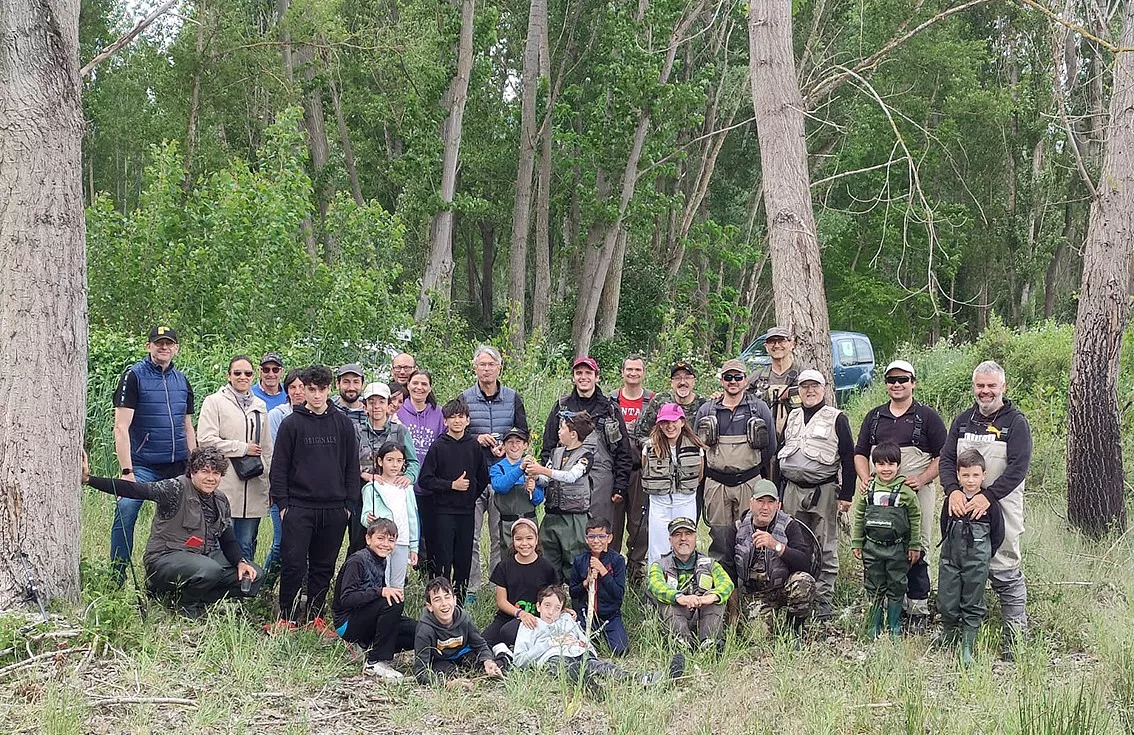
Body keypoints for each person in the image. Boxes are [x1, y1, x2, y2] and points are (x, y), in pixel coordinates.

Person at [83, 447, 259, 618]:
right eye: (205, 472)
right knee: (210, 570)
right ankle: (185, 607)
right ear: (192, 472)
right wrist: (89, 479)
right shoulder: (174, 488)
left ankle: (188, 599)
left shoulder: (220, 500)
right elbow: (133, 490)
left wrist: (240, 562)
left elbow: (228, 540)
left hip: (202, 557)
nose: (211, 478)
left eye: (216, 473)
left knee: (255, 575)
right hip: (164, 558)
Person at [938, 360, 1032, 661]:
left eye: (992, 386)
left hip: (1002, 507)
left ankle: (1015, 642)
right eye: (981, 385)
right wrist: (952, 490)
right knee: (958, 572)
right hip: (962, 509)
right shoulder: (963, 421)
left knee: (1005, 571)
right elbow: (945, 459)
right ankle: (956, 635)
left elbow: (1019, 467)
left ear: (1003, 387)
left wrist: (988, 496)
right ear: (974, 387)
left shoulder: (1016, 423)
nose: (986, 391)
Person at [852, 359, 947, 629]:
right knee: (877, 546)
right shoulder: (874, 417)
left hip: (916, 492)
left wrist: (924, 478)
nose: (897, 384)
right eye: (891, 380)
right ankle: (880, 608)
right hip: (879, 495)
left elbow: (944, 455)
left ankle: (916, 609)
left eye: (903, 379)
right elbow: (860, 452)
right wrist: (864, 477)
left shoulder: (928, 417)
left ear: (913, 383)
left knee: (917, 547)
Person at [269, 364, 361, 629]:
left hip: (334, 509)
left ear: (329, 389)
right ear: (303, 390)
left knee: (324, 567)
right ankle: (286, 617)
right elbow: (279, 467)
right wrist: (284, 504)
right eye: (311, 389)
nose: (317, 395)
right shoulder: (291, 424)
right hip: (299, 507)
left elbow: (351, 467)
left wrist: (348, 506)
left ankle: (315, 618)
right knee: (293, 564)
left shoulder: (343, 423)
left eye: (322, 389)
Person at [110, 325, 197, 583]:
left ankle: (179, 578)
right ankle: (116, 577)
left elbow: (187, 426)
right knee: (126, 508)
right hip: (144, 464)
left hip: (178, 465)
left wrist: (196, 463)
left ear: (176, 348)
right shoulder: (133, 376)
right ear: (149, 346)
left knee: (191, 517)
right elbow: (120, 427)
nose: (164, 347)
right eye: (159, 343)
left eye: (169, 343)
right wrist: (127, 471)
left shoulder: (182, 381)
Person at [776, 369, 855, 620]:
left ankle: (822, 600)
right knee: (793, 543)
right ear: (798, 390)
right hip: (791, 489)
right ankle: (795, 595)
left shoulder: (836, 418)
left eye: (815, 386)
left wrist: (847, 495)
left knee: (825, 545)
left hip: (824, 489)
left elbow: (848, 458)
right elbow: (780, 453)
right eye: (804, 386)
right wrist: (778, 492)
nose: (809, 391)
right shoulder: (792, 416)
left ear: (824, 389)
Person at [695, 359, 776, 595]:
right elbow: (698, 446)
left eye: (738, 377)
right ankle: (722, 595)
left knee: (750, 537)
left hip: (749, 483)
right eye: (728, 377)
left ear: (745, 380)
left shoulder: (758, 409)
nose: (733, 382)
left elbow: (770, 447)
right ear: (721, 380)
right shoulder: (707, 410)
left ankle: (749, 594)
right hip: (716, 484)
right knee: (719, 539)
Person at [512, 585, 680, 692]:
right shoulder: (530, 624)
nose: (551, 612)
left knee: (603, 666)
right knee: (565, 666)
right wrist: (548, 644)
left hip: (578, 652)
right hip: (553, 656)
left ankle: (649, 679)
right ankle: (590, 687)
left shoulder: (567, 620)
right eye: (547, 606)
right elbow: (519, 660)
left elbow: (586, 641)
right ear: (538, 606)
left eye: (557, 608)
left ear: (562, 610)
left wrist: (584, 646)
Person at [460, 345, 529, 594]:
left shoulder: (512, 398)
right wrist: (477, 440)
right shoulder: (465, 398)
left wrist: (507, 447)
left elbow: (523, 432)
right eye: (482, 364)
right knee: (471, 535)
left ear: (499, 367)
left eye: (491, 364)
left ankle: (499, 585)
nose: (486, 369)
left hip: (505, 476)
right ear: (475, 367)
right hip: (475, 476)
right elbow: (457, 432)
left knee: (501, 535)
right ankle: (472, 587)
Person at [540, 357, 631, 538]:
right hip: (567, 478)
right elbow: (548, 446)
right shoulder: (561, 407)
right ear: (573, 377)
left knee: (600, 533)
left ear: (596, 377)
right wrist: (547, 478)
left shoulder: (610, 409)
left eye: (588, 373)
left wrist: (620, 485)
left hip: (601, 479)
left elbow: (623, 451)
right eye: (578, 373)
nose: (583, 377)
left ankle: (601, 566)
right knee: (569, 535)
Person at [197, 355, 274, 561]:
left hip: (254, 485)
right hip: (226, 484)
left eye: (247, 373)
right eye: (237, 373)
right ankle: (219, 588)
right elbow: (205, 439)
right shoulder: (214, 402)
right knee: (222, 539)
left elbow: (266, 448)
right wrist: (241, 448)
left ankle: (243, 589)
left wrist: (268, 482)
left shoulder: (260, 405)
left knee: (247, 543)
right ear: (228, 376)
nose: (242, 377)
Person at [935, 450, 1004, 667]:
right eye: (965, 476)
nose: (970, 480)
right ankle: (949, 634)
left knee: (972, 600)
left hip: (977, 560)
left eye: (975, 475)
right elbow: (943, 524)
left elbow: (998, 533)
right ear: (957, 475)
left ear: (983, 475)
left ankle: (968, 646)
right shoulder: (952, 500)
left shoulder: (988, 504)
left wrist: (984, 555)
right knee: (947, 596)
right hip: (950, 557)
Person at [417, 398, 489, 603]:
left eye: (461, 417)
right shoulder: (438, 446)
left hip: (466, 512)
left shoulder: (474, 446)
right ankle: (439, 598)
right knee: (442, 558)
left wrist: (469, 496)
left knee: (463, 557)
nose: (457, 421)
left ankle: (460, 598)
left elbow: (483, 478)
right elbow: (425, 480)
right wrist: (451, 486)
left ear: (468, 420)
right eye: (452, 417)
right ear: (445, 420)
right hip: (442, 512)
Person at [332, 519, 419, 679]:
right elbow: (347, 599)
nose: (385, 544)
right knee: (392, 600)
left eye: (391, 540)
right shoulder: (357, 561)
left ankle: (368, 647)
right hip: (347, 623)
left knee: (419, 630)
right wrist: (380, 591)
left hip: (369, 618)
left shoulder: (381, 560)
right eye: (380, 538)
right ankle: (375, 661)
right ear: (368, 539)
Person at [851, 442, 922, 639]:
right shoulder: (869, 488)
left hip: (897, 548)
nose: (886, 469)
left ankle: (894, 626)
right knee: (874, 586)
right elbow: (859, 515)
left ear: (898, 465)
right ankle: (874, 625)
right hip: (872, 547)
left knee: (897, 585)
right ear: (874, 465)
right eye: (881, 464)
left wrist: (914, 545)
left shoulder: (905, 490)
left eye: (891, 464)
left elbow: (915, 517)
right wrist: (857, 541)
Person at [734, 480, 820, 635]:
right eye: (760, 501)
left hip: (783, 587)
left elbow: (805, 563)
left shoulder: (790, 525)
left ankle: (794, 628)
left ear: (778, 505)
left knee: (803, 582)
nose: (765, 507)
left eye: (771, 502)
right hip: (755, 594)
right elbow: (727, 570)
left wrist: (777, 546)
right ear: (751, 503)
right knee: (756, 636)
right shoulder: (738, 529)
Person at [527, 411, 596, 581]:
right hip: (552, 516)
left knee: (574, 560)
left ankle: (577, 598)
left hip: (574, 519)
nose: (558, 431)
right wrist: (535, 476)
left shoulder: (586, 456)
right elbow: (546, 479)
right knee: (549, 559)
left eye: (562, 428)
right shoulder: (555, 453)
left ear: (573, 434)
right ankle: (552, 596)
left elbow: (571, 477)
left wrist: (541, 469)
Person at [352, 382, 419, 555]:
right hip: (363, 493)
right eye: (371, 402)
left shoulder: (400, 431)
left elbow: (413, 462)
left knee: (391, 540)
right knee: (360, 541)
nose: (376, 406)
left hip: (393, 494)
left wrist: (409, 477)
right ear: (364, 405)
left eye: (381, 401)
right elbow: (347, 462)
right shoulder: (356, 431)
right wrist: (364, 475)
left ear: (389, 405)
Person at [647, 517, 734, 650]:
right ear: (670, 540)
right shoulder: (659, 565)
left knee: (717, 599)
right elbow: (655, 585)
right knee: (667, 601)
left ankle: (709, 642)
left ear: (695, 538)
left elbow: (727, 583)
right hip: (675, 617)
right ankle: (681, 642)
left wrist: (710, 596)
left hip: (702, 614)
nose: (683, 538)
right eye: (677, 534)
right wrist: (679, 597)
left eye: (688, 534)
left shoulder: (710, 564)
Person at [482, 518, 558, 655]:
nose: (524, 543)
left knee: (508, 633)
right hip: (509, 615)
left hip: (534, 619)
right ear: (513, 541)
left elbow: (554, 598)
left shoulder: (547, 568)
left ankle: (510, 652)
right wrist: (520, 613)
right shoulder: (504, 566)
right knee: (483, 642)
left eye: (529, 538)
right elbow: (501, 601)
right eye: (519, 539)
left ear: (536, 540)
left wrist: (563, 610)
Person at [640, 403, 705, 564]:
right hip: (659, 503)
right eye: (665, 422)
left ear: (682, 422)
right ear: (659, 424)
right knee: (658, 546)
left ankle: (686, 583)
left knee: (685, 543)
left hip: (685, 501)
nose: (670, 426)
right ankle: (657, 585)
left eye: (674, 421)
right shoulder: (649, 446)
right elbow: (645, 468)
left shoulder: (695, 446)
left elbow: (700, 475)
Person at [397, 369, 445, 576]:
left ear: (430, 387)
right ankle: (403, 575)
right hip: (404, 483)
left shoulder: (439, 413)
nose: (419, 387)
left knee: (432, 534)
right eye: (415, 383)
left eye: (424, 384)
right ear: (408, 385)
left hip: (430, 484)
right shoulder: (399, 411)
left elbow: (444, 444)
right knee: (404, 532)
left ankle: (431, 577)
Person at [611, 354, 654, 581]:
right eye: (629, 369)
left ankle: (636, 570)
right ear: (622, 372)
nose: (633, 374)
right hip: (614, 472)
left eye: (637, 370)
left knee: (639, 524)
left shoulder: (653, 401)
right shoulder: (611, 400)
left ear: (643, 373)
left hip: (641, 470)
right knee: (613, 523)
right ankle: (611, 568)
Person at [414, 577, 502, 685]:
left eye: (447, 597)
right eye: (437, 600)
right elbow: (420, 671)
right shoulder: (425, 630)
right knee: (448, 673)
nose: (444, 604)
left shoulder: (463, 618)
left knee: (490, 666)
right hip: (440, 660)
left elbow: (480, 644)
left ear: (455, 600)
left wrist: (488, 661)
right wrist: (447, 684)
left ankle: (503, 653)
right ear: (430, 606)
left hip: (463, 654)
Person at [361, 442, 420, 588]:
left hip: (402, 541)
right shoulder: (372, 487)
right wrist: (369, 519)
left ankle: (396, 610)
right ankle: (381, 610)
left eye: (399, 461)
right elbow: (364, 515)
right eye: (390, 460)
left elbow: (413, 518)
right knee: (381, 581)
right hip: (381, 542)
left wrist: (414, 547)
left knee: (398, 584)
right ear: (380, 461)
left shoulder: (407, 488)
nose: (394, 465)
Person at [264, 368, 304, 578]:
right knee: (281, 543)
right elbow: (271, 455)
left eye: (301, 386)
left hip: (306, 491)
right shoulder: (278, 415)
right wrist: (275, 488)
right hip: (283, 489)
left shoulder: (316, 415)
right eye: (292, 387)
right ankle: (265, 585)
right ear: (286, 391)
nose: (298, 391)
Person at [568, 518, 629, 655]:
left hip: (610, 616)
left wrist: (603, 571)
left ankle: (604, 634)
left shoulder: (617, 560)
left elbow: (618, 593)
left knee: (620, 650)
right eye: (592, 537)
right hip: (585, 615)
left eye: (601, 536)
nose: (596, 541)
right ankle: (593, 636)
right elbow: (573, 592)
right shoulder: (580, 560)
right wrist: (586, 582)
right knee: (579, 649)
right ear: (586, 539)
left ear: (610, 538)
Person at [489, 427, 544, 556]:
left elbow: (539, 499)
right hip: (508, 524)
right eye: (510, 442)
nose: (514, 445)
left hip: (530, 520)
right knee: (508, 559)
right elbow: (500, 487)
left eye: (518, 441)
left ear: (525, 445)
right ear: (503, 445)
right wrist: (520, 468)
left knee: (532, 557)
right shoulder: (498, 468)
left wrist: (533, 490)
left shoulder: (533, 467)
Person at [747, 326, 803, 446]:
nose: (776, 345)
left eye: (782, 341)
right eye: (772, 341)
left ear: (792, 344)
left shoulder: (804, 376)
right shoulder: (756, 378)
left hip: (798, 441)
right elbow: (737, 398)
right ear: (766, 347)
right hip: (764, 441)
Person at [636, 360, 706, 438]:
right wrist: (652, 445)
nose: (682, 382)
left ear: (694, 381)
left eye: (687, 378)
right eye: (677, 378)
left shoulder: (703, 405)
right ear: (671, 383)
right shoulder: (660, 401)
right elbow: (641, 434)